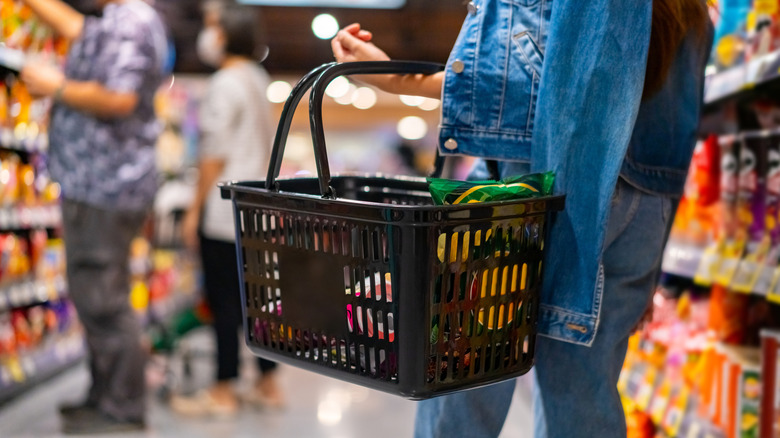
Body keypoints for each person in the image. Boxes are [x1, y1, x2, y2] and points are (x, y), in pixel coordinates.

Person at [331, 0, 712, 437]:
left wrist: (400, 80)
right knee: (583, 391)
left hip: (523, 191)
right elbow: (679, 120)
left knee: (465, 379)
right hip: (641, 205)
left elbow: (526, 80)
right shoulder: (691, 9)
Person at [18, 0, 168, 434]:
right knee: (97, 295)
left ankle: (121, 407)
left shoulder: (133, 21)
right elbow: (73, 25)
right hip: (103, 184)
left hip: (105, 184)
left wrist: (57, 86)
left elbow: (120, 97)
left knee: (102, 298)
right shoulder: (118, 20)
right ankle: (105, 396)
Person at [172, 0, 283, 417]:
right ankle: (269, 382)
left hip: (224, 211)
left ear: (229, 32)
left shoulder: (225, 82)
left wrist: (193, 210)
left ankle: (222, 388)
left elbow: (214, 155)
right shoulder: (257, 77)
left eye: (214, 26)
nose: (209, 34)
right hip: (257, 211)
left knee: (223, 302)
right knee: (256, 299)